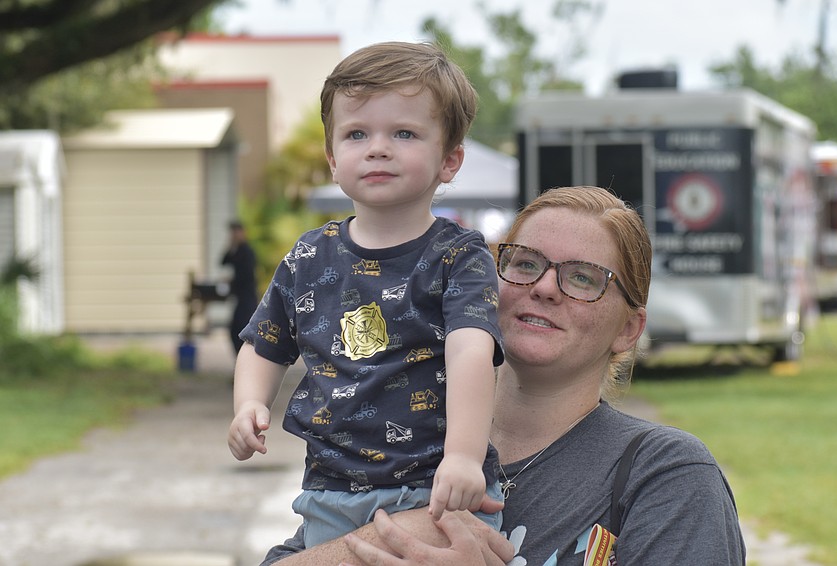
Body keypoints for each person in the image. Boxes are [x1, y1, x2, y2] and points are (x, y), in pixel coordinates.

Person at [258, 186, 746, 566]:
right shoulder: (403, 436)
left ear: (629, 329)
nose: (545, 287)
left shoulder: (665, 475)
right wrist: (399, 536)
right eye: (526, 264)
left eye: (583, 277)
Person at [228, 41, 504, 550]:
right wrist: (249, 403)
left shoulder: (459, 256)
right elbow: (264, 343)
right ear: (334, 159)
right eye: (358, 134)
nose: (378, 147)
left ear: (450, 160)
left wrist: (463, 457)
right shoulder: (309, 256)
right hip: (330, 490)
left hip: (433, 488)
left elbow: (472, 351)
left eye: (404, 132)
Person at [221, 220, 258, 355]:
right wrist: (230, 247)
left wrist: (232, 281)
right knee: (235, 330)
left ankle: (244, 361)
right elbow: (223, 262)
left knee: (241, 329)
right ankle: (238, 361)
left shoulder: (247, 251)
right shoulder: (235, 251)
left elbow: (247, 275)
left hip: (247, 297)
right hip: (239, 296)